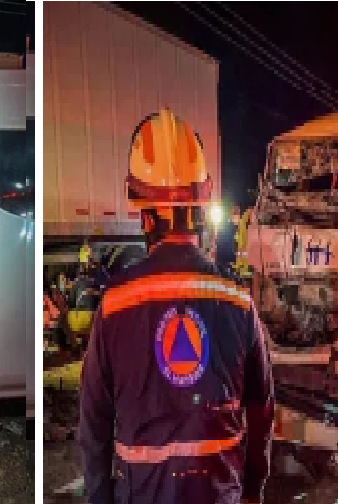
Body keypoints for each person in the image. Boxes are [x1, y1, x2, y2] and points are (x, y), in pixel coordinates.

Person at [79, 108, 274, 504]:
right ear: (200, 211)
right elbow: (262, 407)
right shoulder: (238, 301)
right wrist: (252, 489)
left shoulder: (115, 306)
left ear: (145, 217)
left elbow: (93, 422)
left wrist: (100, 497)